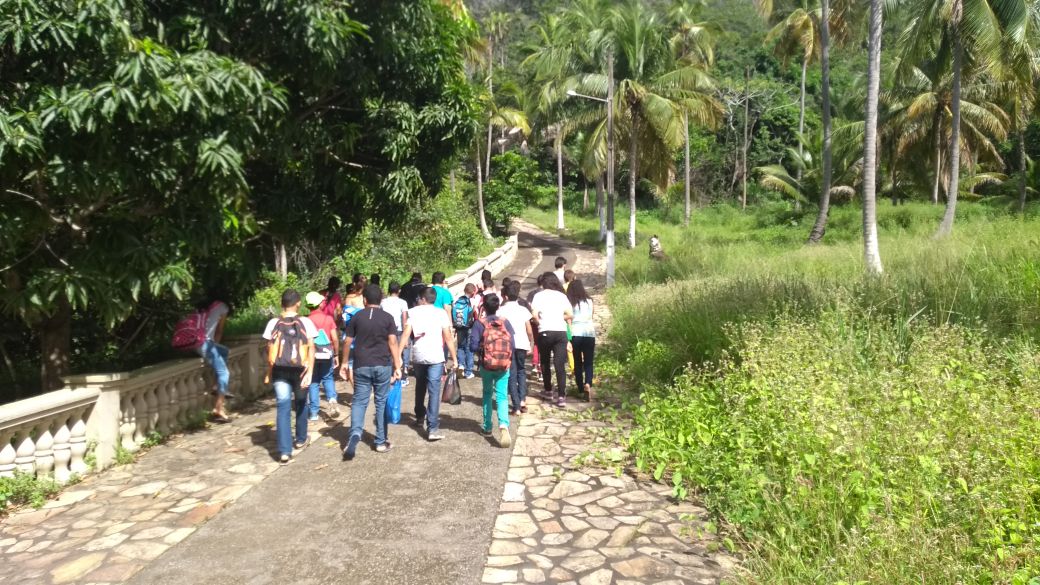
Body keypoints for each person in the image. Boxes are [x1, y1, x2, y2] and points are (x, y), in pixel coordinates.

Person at [339, 284, 401, 459]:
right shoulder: (387, 318)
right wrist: (397, 366)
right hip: (382, 364)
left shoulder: (357, 317)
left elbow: (347, 341)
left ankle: (354, 434)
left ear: (364, 300)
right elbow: (393, 342)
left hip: (361, 365)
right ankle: (380, 441)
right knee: (381, 401)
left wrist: (344, 363)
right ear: (380, 300)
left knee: (359, 401)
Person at [262, 289, 318, 465]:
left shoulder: (273, 323)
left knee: (283, 407)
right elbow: (311, 348)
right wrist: (310, 372)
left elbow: (269, 347)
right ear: (298, 303)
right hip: (300, 370)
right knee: (301, 403)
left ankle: (285, 452)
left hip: (279, 371)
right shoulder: (306, 322)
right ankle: (301, 439)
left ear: (282, 304)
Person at [400, 287, 457, 441]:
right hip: (436, 356)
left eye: (419, 298)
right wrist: (454, 358)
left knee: (420, 386)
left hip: (418, 355)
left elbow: (405, 334)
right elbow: (448, 337)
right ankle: (432, 428)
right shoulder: (441, 313)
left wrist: (398, 355)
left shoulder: (413, 312)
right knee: (434, 391)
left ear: (423, 299)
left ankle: (420, 416)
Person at [470, 294, 515, 448]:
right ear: (498, 307)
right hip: (504, 365)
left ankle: (487, 427)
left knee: (487, 394)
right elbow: (513, 344)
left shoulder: (479, 323)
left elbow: (472, 346)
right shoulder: (505, 322)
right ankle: (504, 425)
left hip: (486, 365)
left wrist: (482, 349)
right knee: (502, 396)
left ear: (484, 307)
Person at [531, 272, 572, 407]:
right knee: (560, 364)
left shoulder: (538, 296)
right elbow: (570, 314)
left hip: (545, 331)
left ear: (543, 283)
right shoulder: (561, 296)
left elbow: (534, 315)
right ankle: (561, 396)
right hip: (560, 332)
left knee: (545, 361)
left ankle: (548, 390)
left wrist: (540, 322)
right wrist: (559, 318)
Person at [500, 281, 534, 415]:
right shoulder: (523, 310)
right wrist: (531, 343)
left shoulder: (501, 310)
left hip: (507, 345)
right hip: (522, 344)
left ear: (505, 296)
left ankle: (516, 406)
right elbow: (529, 330)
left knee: (511, 374)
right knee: (521, 371)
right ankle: (522, 400)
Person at [305, 291, 340, 420]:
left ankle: (314, 412)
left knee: (313, 381)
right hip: (326, 354)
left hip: (312, 355)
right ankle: (332, 399)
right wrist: (336, 354)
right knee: (328, 378)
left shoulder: (306, 320)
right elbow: (335, 339)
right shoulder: (328, 318)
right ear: (320, 304)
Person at [196, 296, 231, 423]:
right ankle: (218, 408)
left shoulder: (202, 305)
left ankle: (217, 385)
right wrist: (214, 348)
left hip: (194, 342)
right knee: (224, 373)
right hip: (205, 344)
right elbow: (219, 332)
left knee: (224, 351)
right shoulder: (223, 307)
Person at [567, 280, 596, 401]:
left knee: (577, 362)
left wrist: (568, 338)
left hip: (576, 333)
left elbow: (569, 321)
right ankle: (588, 383)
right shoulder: (590, 301)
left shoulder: (571, 303)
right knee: (589, 362)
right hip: (589, 333)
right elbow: (591, 316)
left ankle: (580, 387)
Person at [380, 281, 410, 384]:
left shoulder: (383, 302)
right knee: (400, 353)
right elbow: (404, 318)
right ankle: (402, 377)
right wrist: (406, 336)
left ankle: (388, 375)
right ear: (399, 291)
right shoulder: (403, 302)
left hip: (385, 330)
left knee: (388, 352)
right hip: (398, 330)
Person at [454, 283, 479, 379]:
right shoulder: (472, 301)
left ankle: (461, 365)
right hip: (469, 327)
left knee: (460, 346)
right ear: (473, 292)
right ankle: (468, 372)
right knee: (469, 348)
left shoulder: (458, 300)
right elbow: (475, 315)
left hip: (459, 327)